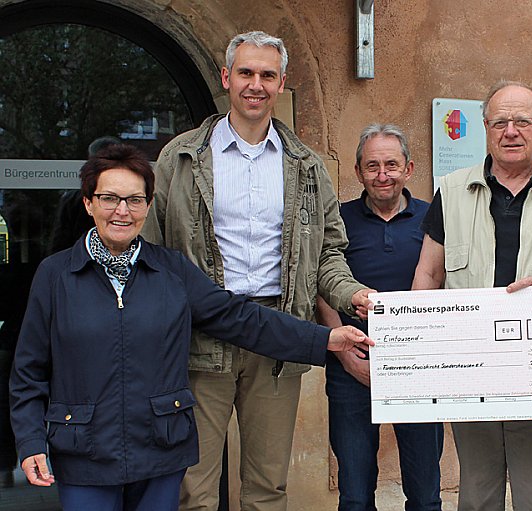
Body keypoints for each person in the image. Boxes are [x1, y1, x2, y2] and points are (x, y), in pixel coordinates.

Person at [9, 144, 372, 511]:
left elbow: (242, 319)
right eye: (109, 198)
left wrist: (326, 338)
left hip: (159, 452)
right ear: (88, 203)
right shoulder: (55, 276)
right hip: (84, 453)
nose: (122, 210)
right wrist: (30, 442)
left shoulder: (172, 271)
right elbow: (29, 372)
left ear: (148, 207)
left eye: (135, 200)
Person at [141, 30, 372, 511]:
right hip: (198, 335)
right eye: (245, 72)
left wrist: (352, 295)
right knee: (193, 489)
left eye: (268, 74)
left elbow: (328, 253)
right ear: (226, 77)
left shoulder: (306, 165)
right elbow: (153, 251)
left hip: (278, 336)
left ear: (282, 83)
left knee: (268, 488)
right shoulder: (180, 158)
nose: (256, 84)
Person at [412, 80, 532, 511]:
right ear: (485, 128)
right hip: (471, 365)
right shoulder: (453, 191)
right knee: (476, 492)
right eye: (499, 122)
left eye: (522, 120)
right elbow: (428, 271)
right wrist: (421, 350)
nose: (510, 131)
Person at [316, 124, 443, 510]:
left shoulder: (434, 218)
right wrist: (342, 351)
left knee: (425, 495)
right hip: (352, 367)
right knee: (354, 495)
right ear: (358, 172)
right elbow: (321, 283)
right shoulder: (338, 218)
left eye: (392, 164)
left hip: (419, 368)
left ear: (409, 168)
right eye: (372, 166)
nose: (382, 175)